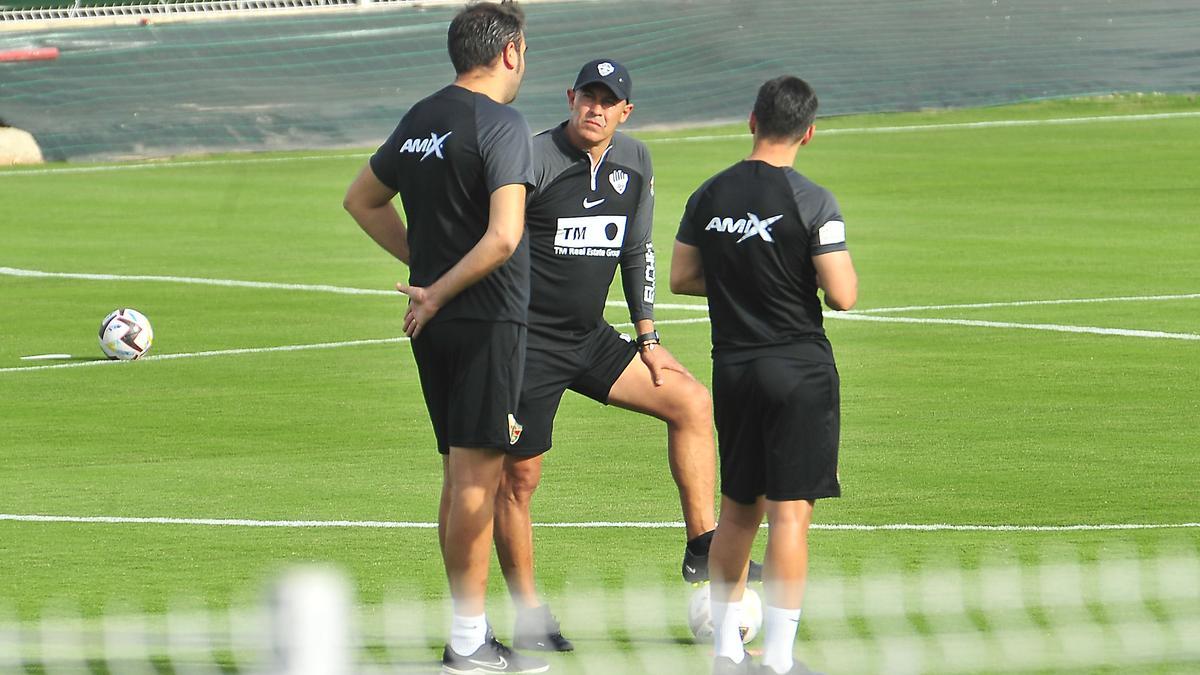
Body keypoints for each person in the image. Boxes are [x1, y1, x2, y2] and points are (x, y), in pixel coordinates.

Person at [490, 58, 729, 652]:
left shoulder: (636, 162)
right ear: (570, 99)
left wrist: (648, 338)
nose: (595, 109)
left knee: (691, 402)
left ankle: (703, 551)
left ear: (626, 111)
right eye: (587, 97)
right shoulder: (534, 158)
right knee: (518, 479)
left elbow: (638, 250)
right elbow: (494, 239)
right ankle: (527, 612)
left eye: (608, 100)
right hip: (526, 345)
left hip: (589, 337)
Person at [342, 2, 548, 673]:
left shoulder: (421, 119)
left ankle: (469, 631)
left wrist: (427, 277)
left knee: (460, 474)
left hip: (435, 322)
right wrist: (437, 284)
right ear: (511, 51)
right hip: (487, 317)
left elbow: (361, 200)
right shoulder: (504, 124)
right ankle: (467, 642)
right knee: (474, 480)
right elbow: (504, 235)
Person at [670, 75, 858, 675]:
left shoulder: (709, 194)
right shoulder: (813, 199)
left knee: (737, 512)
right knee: (790, 515)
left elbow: (681, 276)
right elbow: (845, 294)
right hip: (798, 370)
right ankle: (777, 660)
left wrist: (737, 282)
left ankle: (727, 652)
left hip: (735, 369)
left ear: (752, 120)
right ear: (808, 131)